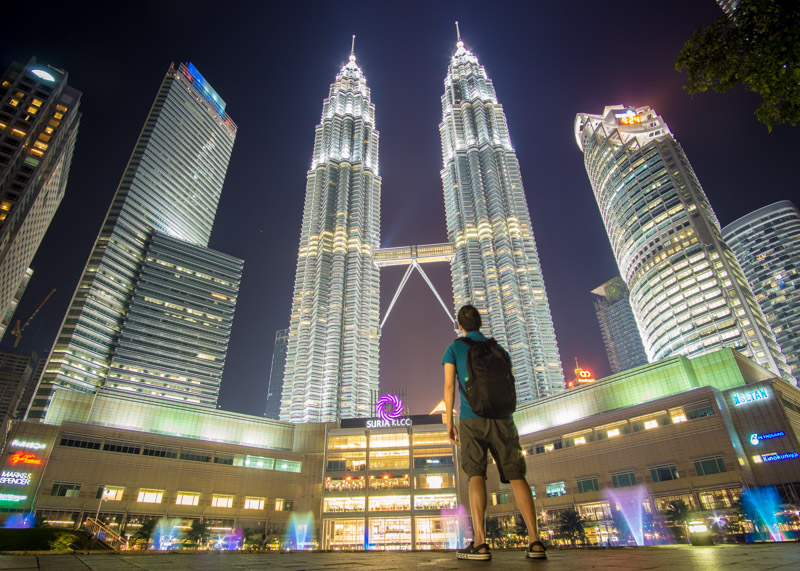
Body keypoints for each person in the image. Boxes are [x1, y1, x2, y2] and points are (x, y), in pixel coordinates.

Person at [442, 304, 546, 561]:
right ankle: (534, 541)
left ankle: (480, 543)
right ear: (480, 323)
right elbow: (509, 383)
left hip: (470, 419)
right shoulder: (499, 350)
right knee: (516, 475)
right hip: (503, 419)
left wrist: (449, 423)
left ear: (461, 326)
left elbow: (448, 387)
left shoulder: (454, 348)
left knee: (475, 474)